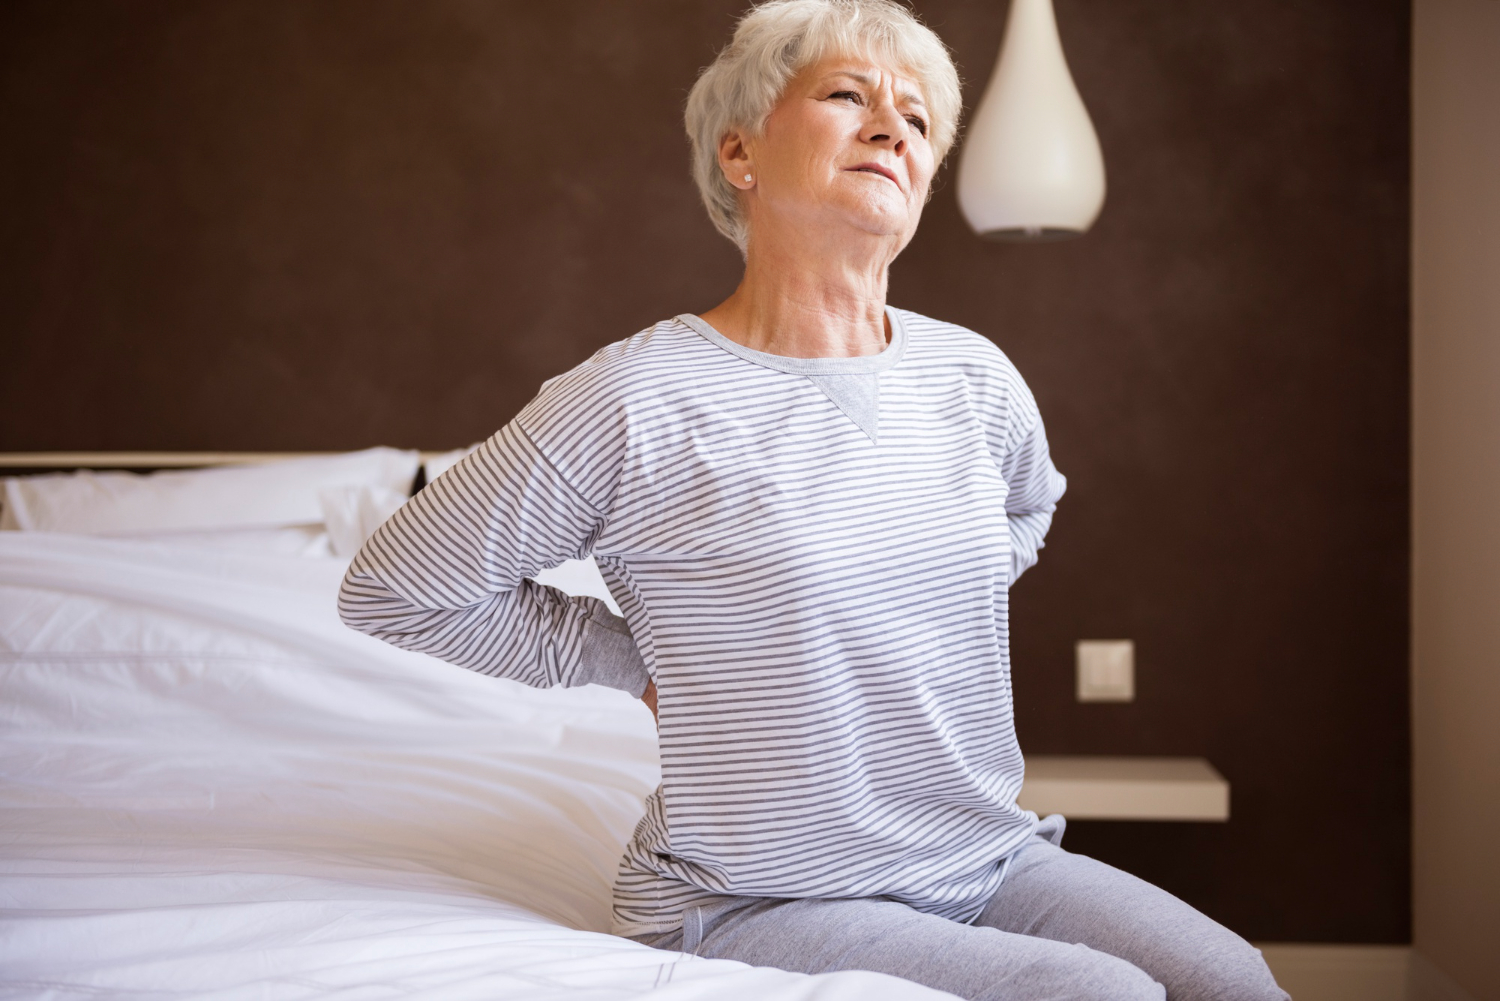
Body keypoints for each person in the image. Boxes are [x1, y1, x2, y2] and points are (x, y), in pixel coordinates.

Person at [339, 2, 1288, 998]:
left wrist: (897, 593)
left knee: (1233, 976)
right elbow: (394, 589)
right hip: (754, 896)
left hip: (982, 856)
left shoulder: (976, 378)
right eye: (847, 96)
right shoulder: (632, 400)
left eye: (917, 119)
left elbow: (1027, 508)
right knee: (1102, 995)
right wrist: (631, 657)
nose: (892, 126)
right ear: (739, 152)